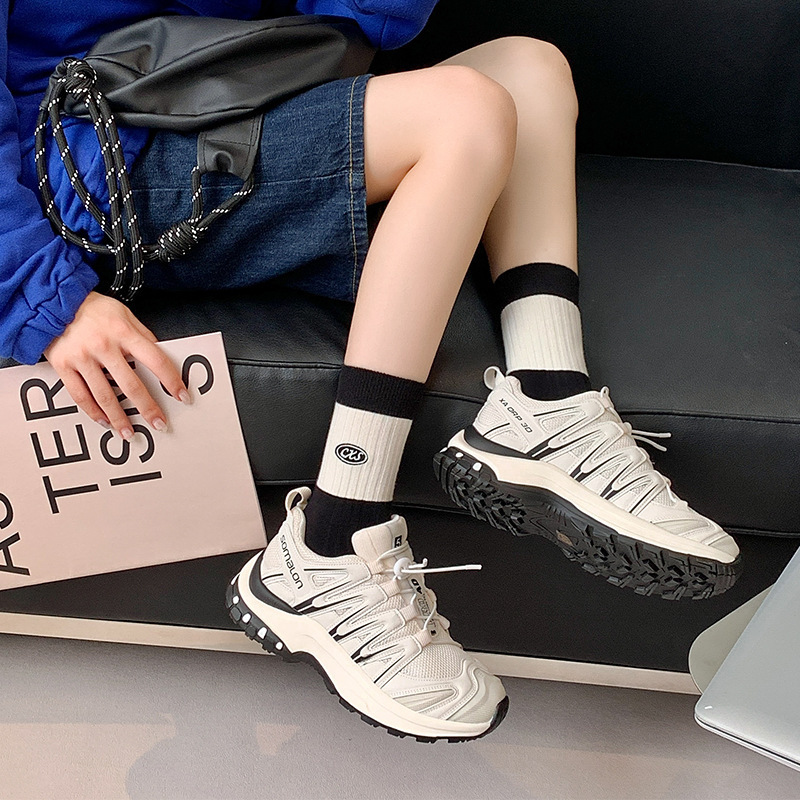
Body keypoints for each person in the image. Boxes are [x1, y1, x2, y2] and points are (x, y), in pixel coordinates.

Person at [2, 0, 741, 741]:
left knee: (529, 67)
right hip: (92, 154)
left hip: (237, 93)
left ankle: (549, 394)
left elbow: (364, 22)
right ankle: (332, 541)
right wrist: (45, 295)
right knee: (466, 110)